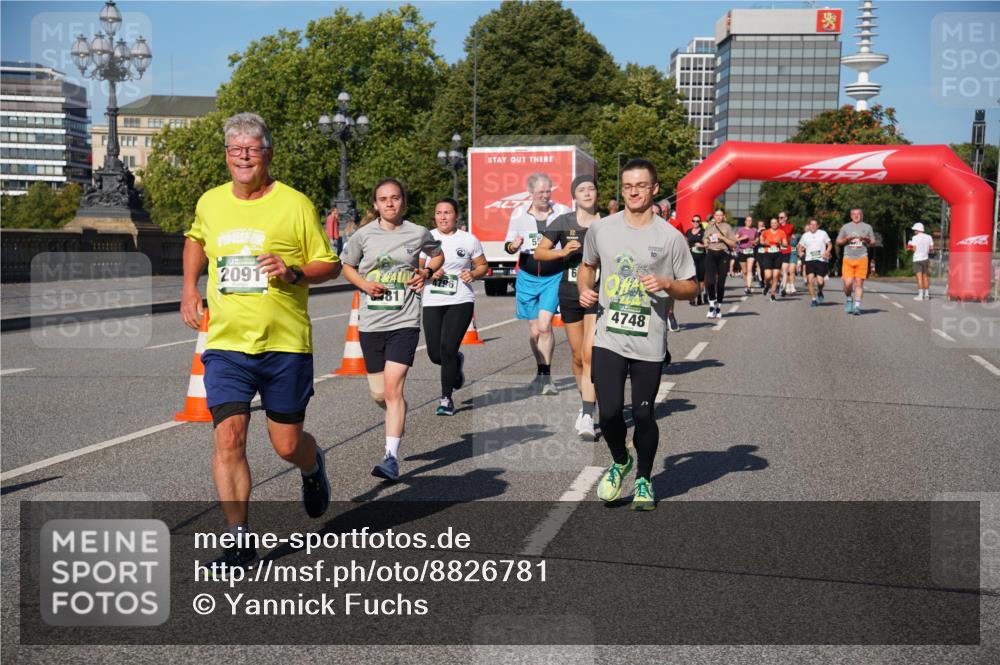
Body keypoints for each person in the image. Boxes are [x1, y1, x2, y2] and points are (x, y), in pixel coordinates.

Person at [181, 113, 340, 569]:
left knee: (286, 444)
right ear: (227, 156)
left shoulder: (294, 204)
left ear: (267, 154)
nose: (244, 157)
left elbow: (326, 264)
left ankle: (312, 467)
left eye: (252, 149)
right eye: (235, 150)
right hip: (228, 344)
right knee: (228, 437)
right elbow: (195, 239)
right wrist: (190, 287)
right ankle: (239, 538)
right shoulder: (211, 202)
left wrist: (292, 272)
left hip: (284, 343)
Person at [578, 159, 698, 511]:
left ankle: (644, 479)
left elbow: (692, 287)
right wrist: (586, 290)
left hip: (649, 340)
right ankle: (620, 461)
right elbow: (588, 269)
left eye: (641, 185)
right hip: (609, 336)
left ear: (655, 188)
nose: (633, 191)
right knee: (610, 413)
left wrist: (666, 283)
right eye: (628, 185)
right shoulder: (602, 229)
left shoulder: (670, 237)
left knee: (643, 415)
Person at [340, 178, 444, 481]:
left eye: (395, 198)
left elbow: (437, 254)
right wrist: (364, 284)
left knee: (393, 387)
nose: (389, 203)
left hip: (405, 320)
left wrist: (425, 271)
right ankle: (396, 418)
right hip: (372, 323)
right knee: (378, 393)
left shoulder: (418, 232)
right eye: (383, 199)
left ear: (404, 202)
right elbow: (347, 265)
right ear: (375, 204)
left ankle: (390, 457)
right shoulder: (363, 235)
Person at [536, 175, 601, 440]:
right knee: (576, 355)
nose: (587, 193)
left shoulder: (607, 223)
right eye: (582, 190)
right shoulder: (564, 222)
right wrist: (562, 253)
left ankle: (588, 413)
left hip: (598, 295)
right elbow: (540, 252)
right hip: (569, 292)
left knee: (589, 354)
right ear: (574, 196)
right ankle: (585, 399)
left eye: (591, 189)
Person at [420, 198, 487, 416]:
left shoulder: (468, 240)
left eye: (447, 212)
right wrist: (430, 271)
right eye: (439, 213)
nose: (443, 217)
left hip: (460, 300)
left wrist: (474, 273)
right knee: (435, 354)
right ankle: (456, 365)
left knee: (447, 348)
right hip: (433, 300)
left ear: (456, 216)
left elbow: (483, 265)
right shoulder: (427, 239)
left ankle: (446, 398)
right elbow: (418, 267)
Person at [504, 172, 569, 395]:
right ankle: (541, 371)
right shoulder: (519, 213)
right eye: (540, 192)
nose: (545, 195)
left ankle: (546, 376)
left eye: (548, 191)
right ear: (531, 193)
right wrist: (514, 245)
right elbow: (508, 245)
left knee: (544, 326)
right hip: (528, 275)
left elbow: (571, 238)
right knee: (533, 332)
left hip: (553, 275)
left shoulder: (561, 211)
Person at [836, 207, 876, 316]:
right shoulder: (846, 227)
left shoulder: (867, 227)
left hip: (862, 258)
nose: (856, 216)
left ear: (861, 215)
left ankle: (857, 306)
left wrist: (867, 239)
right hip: (848, 258)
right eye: (854, 214)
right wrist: (846, 239)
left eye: (858, 214)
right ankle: (849, 299)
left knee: (859, 283)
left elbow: (873, 242)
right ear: (851, 216)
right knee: (848, 284)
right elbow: (838, 241)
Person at [702, 208, 738, 319]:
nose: (718, 217)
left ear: (723, 216)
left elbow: (733, 244)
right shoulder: (709, 227)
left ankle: (718, 307)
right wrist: (706, 242)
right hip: (711, 255)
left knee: (721, 283)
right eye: (716, 215)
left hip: (723, 255)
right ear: (714, 216)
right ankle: (712, 305)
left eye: (720, 215)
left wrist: (722, 237)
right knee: (710, 282)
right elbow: (705, 239)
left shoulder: (727, 227)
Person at [797, 218, 832, 308]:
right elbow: (800, 246)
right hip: (809, 260)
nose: (813, 226)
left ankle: (820, 290)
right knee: (811, 281)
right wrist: (800, 252)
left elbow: (830, 244)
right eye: (811, 224)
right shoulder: (805, 235)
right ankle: (813, 299)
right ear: (809, 225)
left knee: (820, 282)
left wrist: (827, 252)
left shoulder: (823, 233)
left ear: (817, 226)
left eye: (815, 224)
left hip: (821, 260)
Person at [759, 217, 788, 301]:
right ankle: (767, 285)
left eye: (775, 223)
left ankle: (773, 294)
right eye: (772, 223)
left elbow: (785, 244)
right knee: (768, 276)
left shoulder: (781, 232)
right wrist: (765, 243)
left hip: (778, 255)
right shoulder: (766, 232)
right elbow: (761, 240)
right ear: (770, 224)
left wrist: (780, 242)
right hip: (767, 254)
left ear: (777, 224)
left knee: (775, 276)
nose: (774, 224)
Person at [905, 222, 934, 300]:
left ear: (918, 230)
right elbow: (931, 249)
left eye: (915, 230)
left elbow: (914, 249)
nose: (914, 231)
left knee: (919, 278)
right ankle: (927, 295)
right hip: (925, 259)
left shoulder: (915, 238)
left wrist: (909, 246)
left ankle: (920, 295)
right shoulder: (929, 237)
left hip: (917, 259)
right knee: (925, 277)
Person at [685, 215, 707, 306]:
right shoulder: (688, 232)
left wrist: (701, 246)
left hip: (701, 257)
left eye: (697, 221)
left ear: (700, 222)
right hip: (690, 258)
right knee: (691, 278)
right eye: (694, 221)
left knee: (700, 279)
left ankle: (700, 294)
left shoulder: (703, 232)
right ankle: (693, 297)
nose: (695, 222)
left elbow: (707, 244)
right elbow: (685, 242)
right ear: (691, 222)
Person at [735, 215, 758, 295]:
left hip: (751, 251)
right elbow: (734, 239)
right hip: (742, 251)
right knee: (744, 271)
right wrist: (742, 238)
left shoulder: (754, 230)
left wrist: (755, 242)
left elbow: (757, 239)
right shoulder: (740, 230)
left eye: (751, 221)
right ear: (745, 222)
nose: (749, 222)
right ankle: (746, 285)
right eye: (748, 220)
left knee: (749, 270)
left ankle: (749, 287)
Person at [777, 211, 795, 295]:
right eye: (778, 217)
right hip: (777, 250)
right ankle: (782, 283)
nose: (779, 219)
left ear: (785, 218)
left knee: (785, 269)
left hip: (786, 249)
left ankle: (784, 287)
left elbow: (790, 234)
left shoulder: (791, 226)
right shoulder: (776, 227)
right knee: (779, 270)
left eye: (781, 217)